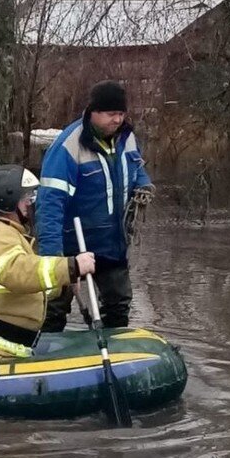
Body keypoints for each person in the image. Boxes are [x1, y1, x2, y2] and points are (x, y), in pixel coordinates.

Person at [0, 165, 96, 362]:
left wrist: (62, 285)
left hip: (5, 346)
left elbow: (21, 287)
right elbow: (17, 272)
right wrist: (70, 267)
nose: (31, 203)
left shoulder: (5, 233)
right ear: (8, 199)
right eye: (26, 197)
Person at [37, 80, 155, 331]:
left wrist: (143, 185)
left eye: (121, 114)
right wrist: (53, 260)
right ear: (93, 112)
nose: (117, 120)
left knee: (119, 304)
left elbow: (137, 168)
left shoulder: (128, 138)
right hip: (73, 243)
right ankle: (47, 357)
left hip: (112, 241)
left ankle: (115, 352)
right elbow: (50, 205)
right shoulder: (67, 147)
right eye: (111, 114)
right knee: (54, 307)